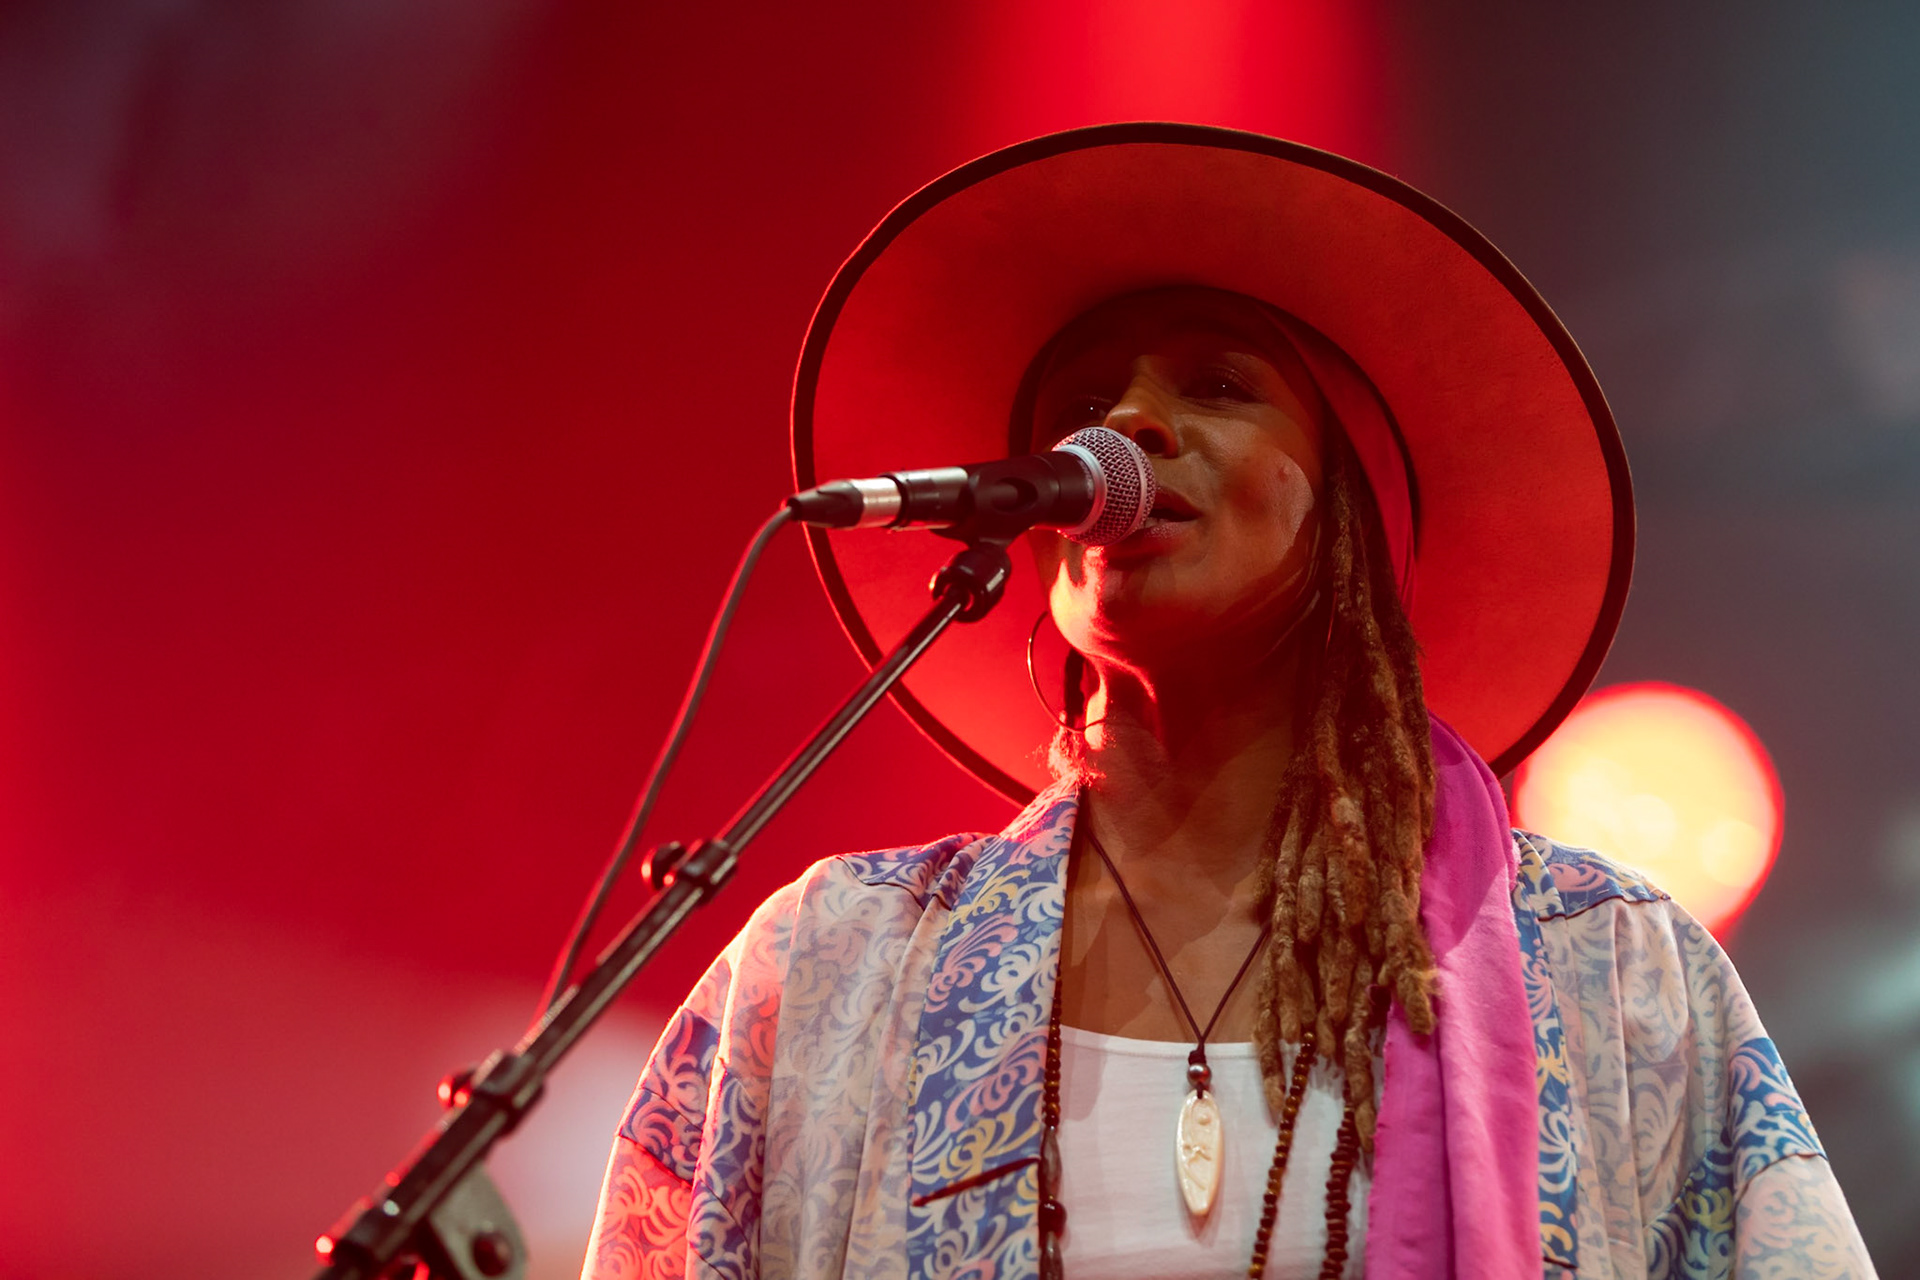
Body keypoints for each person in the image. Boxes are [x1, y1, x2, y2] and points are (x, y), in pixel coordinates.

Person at [580, 125, 1875, 1280]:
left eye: (1215, 383)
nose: (1130, 423)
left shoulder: (1611, 972)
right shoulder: (828, 970)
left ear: (1349, 501)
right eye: (1084, 404)